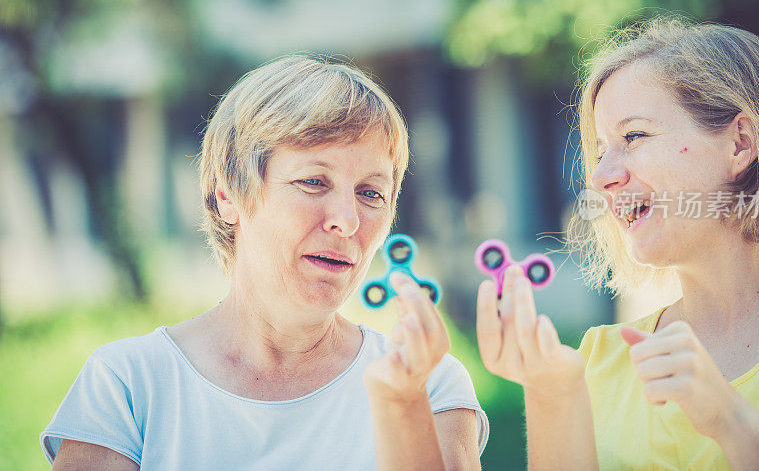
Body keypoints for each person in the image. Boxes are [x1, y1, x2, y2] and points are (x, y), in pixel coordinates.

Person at [40, 56, 488, 470]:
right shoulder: (127, 385)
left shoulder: (432, 387)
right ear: (227, 196)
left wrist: (404, 407)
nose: (348, 221)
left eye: (371, 193)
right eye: (314, 181)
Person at [475, 19, 759, 469]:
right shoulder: (596, 362)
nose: (602, 177)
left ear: (740, 144)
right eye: (603, 148)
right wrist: (552, 393)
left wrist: (731, 420)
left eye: (635, 136)